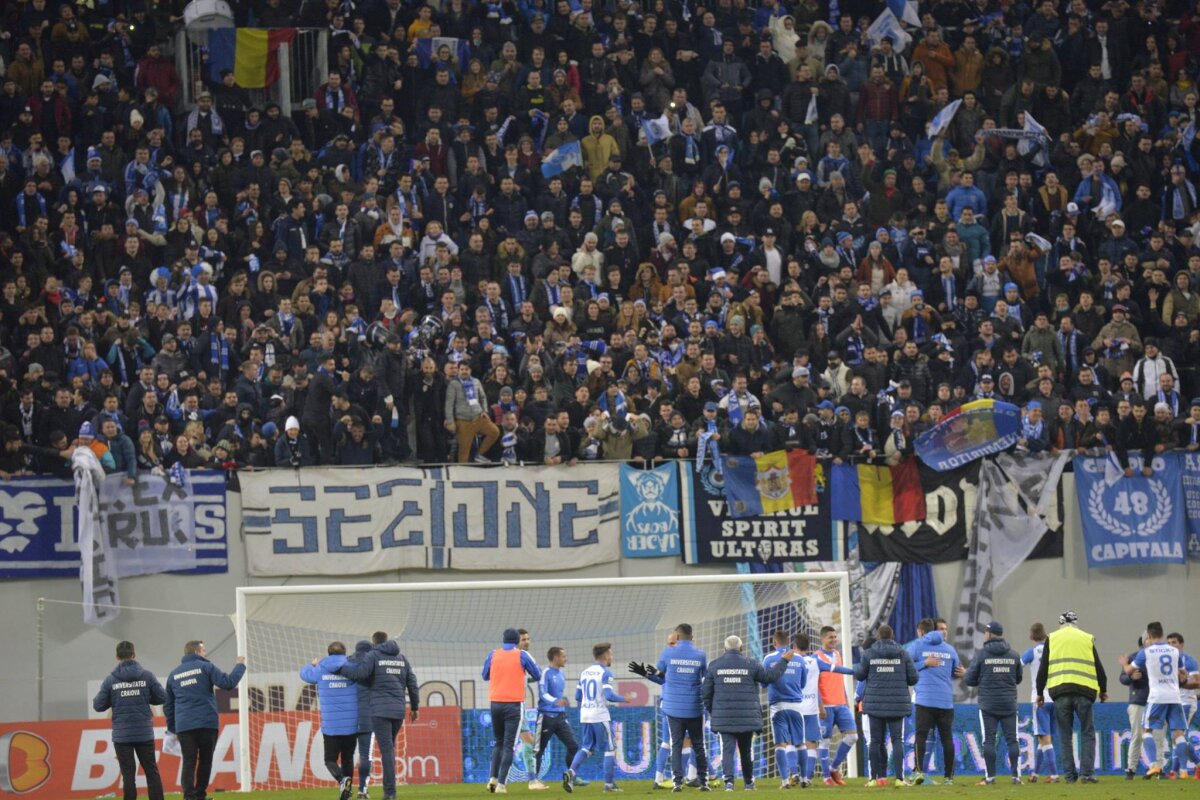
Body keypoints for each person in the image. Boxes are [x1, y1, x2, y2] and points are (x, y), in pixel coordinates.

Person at [702, 634, 796, 791]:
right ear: (741, 647)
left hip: (724, 716)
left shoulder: (714, 665)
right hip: (747, 718)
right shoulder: (751, 664)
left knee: (728, 749)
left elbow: (705, 693)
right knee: (745, 751)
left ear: (725, 649)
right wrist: (784, 660)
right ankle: (748, 783)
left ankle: (729, 784)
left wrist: (714, 711)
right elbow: (770, 677)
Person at [337, 631, 419, 800]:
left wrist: (340, 669)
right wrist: (415, 708)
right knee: (389, 749)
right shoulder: (402, 659)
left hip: (380, 711)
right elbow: (412, 683)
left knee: (387, 751)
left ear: (374, 644)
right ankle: (389, 792)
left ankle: (390, 793)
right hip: (398, 711)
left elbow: (360, 674)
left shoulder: (373, 655)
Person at [164, 640, 246, 800]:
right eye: (203, 651)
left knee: (188, 761)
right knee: (205, 761)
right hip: (206, 723)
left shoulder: (174, 674)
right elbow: (228, 683)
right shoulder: (206, 667)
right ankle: (200, 795)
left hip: (184, 726)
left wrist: (173, 728)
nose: (205, 653)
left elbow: (168, 705)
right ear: (196, 652)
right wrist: (240, 666)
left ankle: (189, 797)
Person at [631, 623, 709, 791]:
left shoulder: (669, 656)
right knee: (672, 742)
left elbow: (663, 677)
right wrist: (647, 674)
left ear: (679, 638)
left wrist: (651, 674)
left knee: (683, 743)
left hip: (675, 705)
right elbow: (664, 679)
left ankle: (689, 777)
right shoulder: (698, 656)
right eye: (669, 643)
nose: (670, 646)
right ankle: (662, 778)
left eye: (673, 642)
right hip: (674, 704)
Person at [1035, 610, 1107, 784]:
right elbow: (1099, 667)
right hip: (1085, 692)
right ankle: (1087, 774)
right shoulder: (1086, 638)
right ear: (1076, 622)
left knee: (1065, 735)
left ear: (1060, 623)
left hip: (1060, 692)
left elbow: (1043, 668)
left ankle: (1069, 776)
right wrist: (1103, 690)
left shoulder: (1052, 638)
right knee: (1087, 732)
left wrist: (1039, 693)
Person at [92, 640, 167, 800]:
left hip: (122, 736)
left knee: (128, 776)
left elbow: (98, 706)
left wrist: (115, 699)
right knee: (151, 772)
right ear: (134, 654)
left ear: (117, 657)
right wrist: (144, 697)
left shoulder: (110, 680)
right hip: (144, 734)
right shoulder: (147, 676)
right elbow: (162, 697)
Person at [1126, 621, 1200, 780]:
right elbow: (1182, 674)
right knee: (1179, 734)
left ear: (1149, 634)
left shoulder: (1146, 652)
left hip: (1157, 697)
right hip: (1175, 696)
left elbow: (1129, 671)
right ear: (1161, 633)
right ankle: (1184, 771)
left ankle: (1153, 765)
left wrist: (1124, 664)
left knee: (1146, 731)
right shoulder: (1175, 652)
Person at [855, 624, 919, 787]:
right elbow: (913, 678)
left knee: (875, 741)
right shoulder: (903, 654)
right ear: (893, 636)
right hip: (897, 703)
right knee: (897, 740)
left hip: (875, 704)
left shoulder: (869, 654)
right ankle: (899, 779)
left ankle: (872, 780)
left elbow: (860, 675)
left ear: (878, 637)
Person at [481, 627, 542, 793]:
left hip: (495, 703)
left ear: (503, 640)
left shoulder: (493, 654)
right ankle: (501, 785)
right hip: (513, 704)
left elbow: (485, 675)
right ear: (517, 641)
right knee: (509, 745)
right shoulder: (522, 655)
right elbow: (537, 675)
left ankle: (492, 779)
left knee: (498, 743)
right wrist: (520, 676)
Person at [964, 621, 1023, 785]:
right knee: (1013, 740)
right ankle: (1016, 777)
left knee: (988, 740)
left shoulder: (981, 655)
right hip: (1009, 704)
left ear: (989, 634)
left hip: (988, 705)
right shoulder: (1014, 655)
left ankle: (990, 777)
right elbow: (1018, 678)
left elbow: (970, 679)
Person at [563, 642, 627, 793]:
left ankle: (571, 772)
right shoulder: (605, 673)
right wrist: (625, 699)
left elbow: (578, 695)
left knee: (587, 747)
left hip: (585, 716)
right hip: (600, 715)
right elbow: (609, 696)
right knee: (610, 749)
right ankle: (609, 786)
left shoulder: (584, 672)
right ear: (605, 655)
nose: (612, 657)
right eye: (611, 654)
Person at [301, 641, 361, 800]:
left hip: (331, 726)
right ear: (344, 653)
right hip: (351, 725)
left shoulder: (320, 669)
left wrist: (311, 664)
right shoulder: (353, 668)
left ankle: (343, 782)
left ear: (328, 653)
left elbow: (304, 674)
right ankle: (347, 791)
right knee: (348, 759)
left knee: (330, 760)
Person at [908, 618, 964, 785]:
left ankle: (918, 772)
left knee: (921, 737)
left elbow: (905, 665)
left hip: (924, 700)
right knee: (947, 739)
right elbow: (958, 670)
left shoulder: (918, 646)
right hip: (945, 701)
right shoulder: (949, 649)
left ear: (922, 631)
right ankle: (949, 778)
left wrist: (923, 663)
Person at [761, 629, 811, 789]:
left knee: (780, 745)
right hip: (797, 705)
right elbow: (803, 684)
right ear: (789, 642)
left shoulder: (768, 659)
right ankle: (804, 779)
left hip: (778, 707)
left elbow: (763, 683)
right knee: (801, 744)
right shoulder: (800, 659)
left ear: (774, 643)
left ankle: (784, 781)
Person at [814, 625, 858, 785]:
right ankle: (826, 777)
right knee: (825, 740)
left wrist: (846, 699)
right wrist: (820, 706)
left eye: (835, 636)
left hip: (841, 704)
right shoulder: (816, 658)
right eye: (830, 637)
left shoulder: (837, 653)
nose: (834, 639)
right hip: (826, 706)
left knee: (853, 736)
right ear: (822, 638)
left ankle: (834, 768)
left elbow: (839, 679)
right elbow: (813, 685)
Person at [534, 646, 580, 790]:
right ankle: (534, 780)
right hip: (546, 716)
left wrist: (562, 701)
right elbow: (542, 693)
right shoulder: (546, 673)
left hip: (560, 716)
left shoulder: (562, 674)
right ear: (555, 657)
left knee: (573, 746)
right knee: (539, 750)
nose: (566, 659)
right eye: (563, 656)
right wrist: (555, 701)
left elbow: (558, 696)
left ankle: (571, 776)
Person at [1020, 622, 1059, 782]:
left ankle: (1055, 775)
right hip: (1056, 697)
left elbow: (1018, 665)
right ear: (1045, 635)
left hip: (1039, 698)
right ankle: (1035, 774)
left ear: (1031, 637)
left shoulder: (1032, 652)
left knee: (1044, 738)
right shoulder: (1054, 650)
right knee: (1043, 739)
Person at [1165, 632, 1200, 779]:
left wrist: (1181, 683)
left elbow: (1197, 682)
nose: (1171, 646)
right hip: (1172, 702)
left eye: (1174, 642)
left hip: (1186, 703)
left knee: (1177, 736)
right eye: (1169, 643)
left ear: (1181, 645)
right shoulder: (1166, 662)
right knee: (1177, 737)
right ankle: (1197, 765)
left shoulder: (1188, 661)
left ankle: (1174, 771)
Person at [1117, 634, 1151, 780]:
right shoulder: (1134, 657)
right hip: (1138, 701)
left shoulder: (1158, 656)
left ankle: (1155, 768)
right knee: (1137, 736)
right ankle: (1131, 769)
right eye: (1150, 638)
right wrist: (1131, 678)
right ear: (1143, 642)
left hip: (1155, 702)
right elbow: (1122, 678)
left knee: (1156, 736)